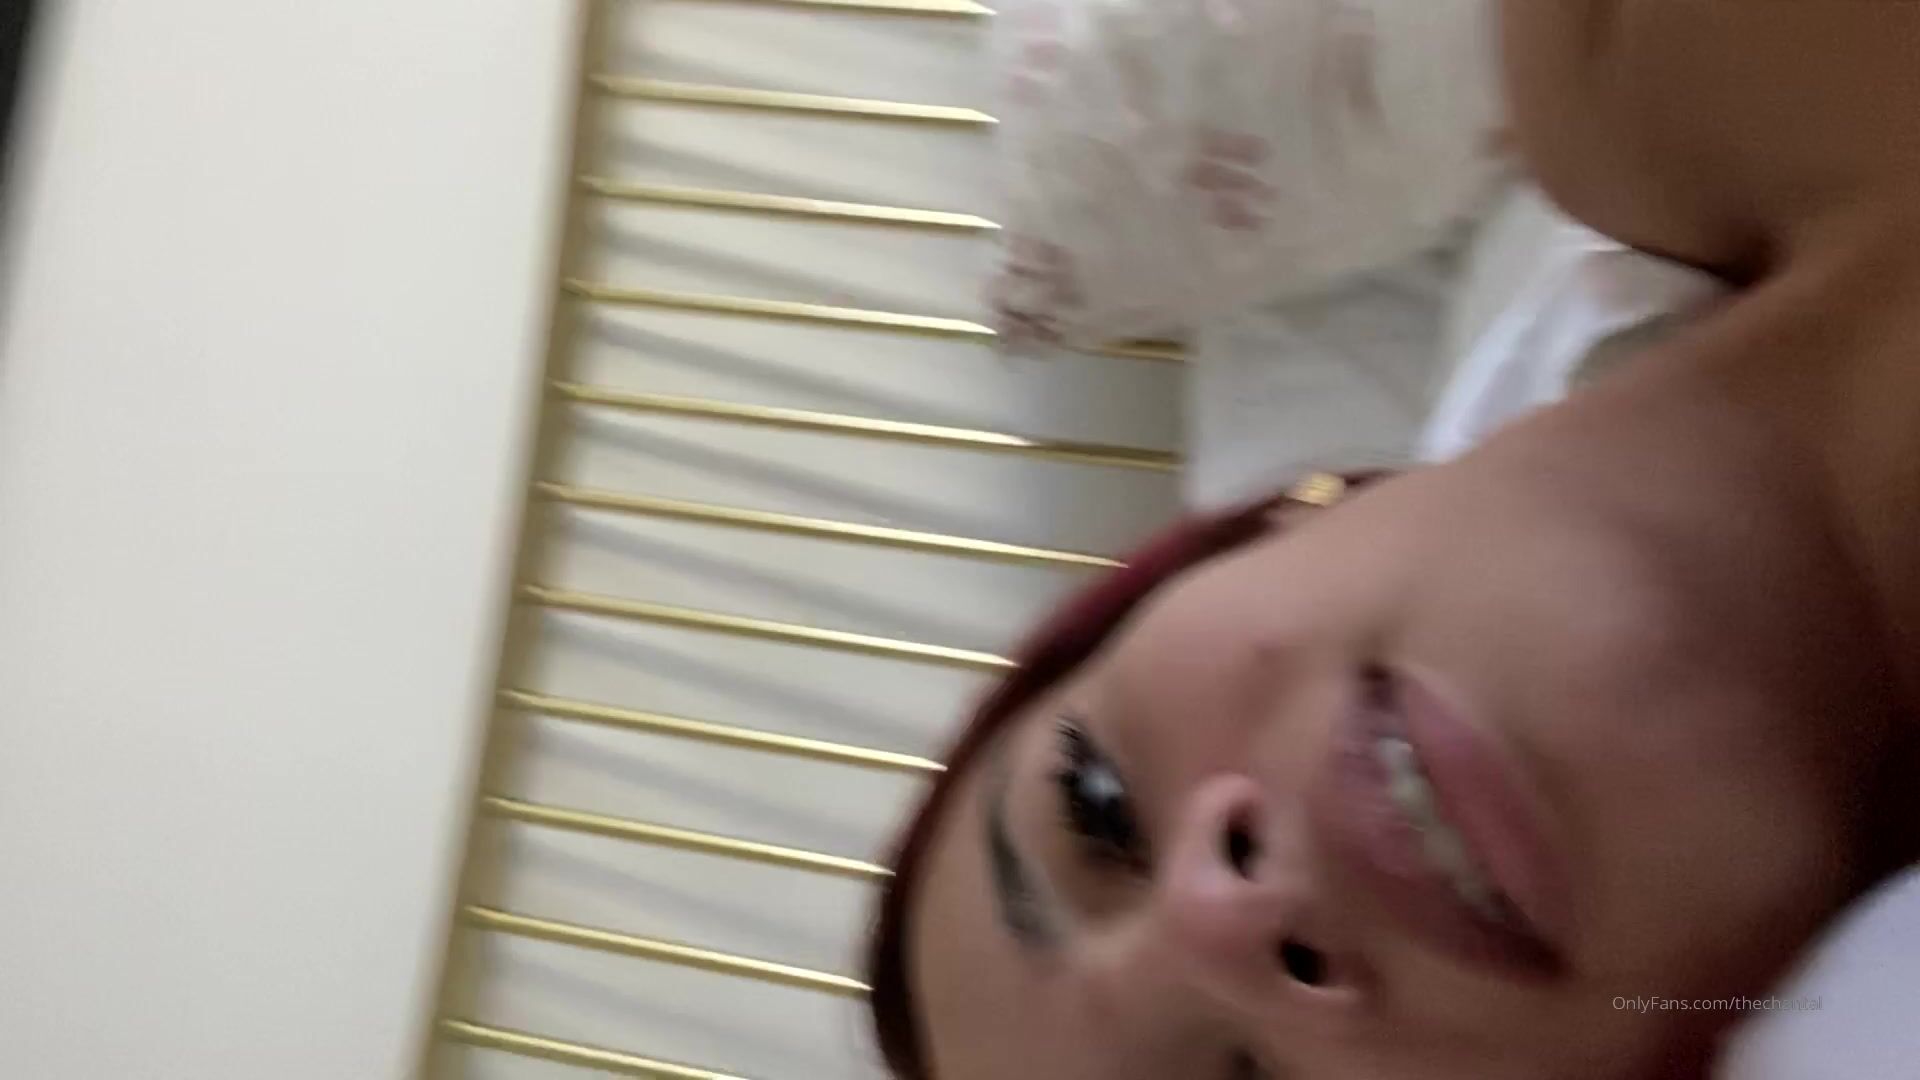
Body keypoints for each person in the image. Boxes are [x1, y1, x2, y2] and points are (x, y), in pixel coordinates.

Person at [865, 3, 1920, 1077]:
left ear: (1271, 529)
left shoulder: (1628, 57)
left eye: (1099, 805)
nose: (1219, 917)